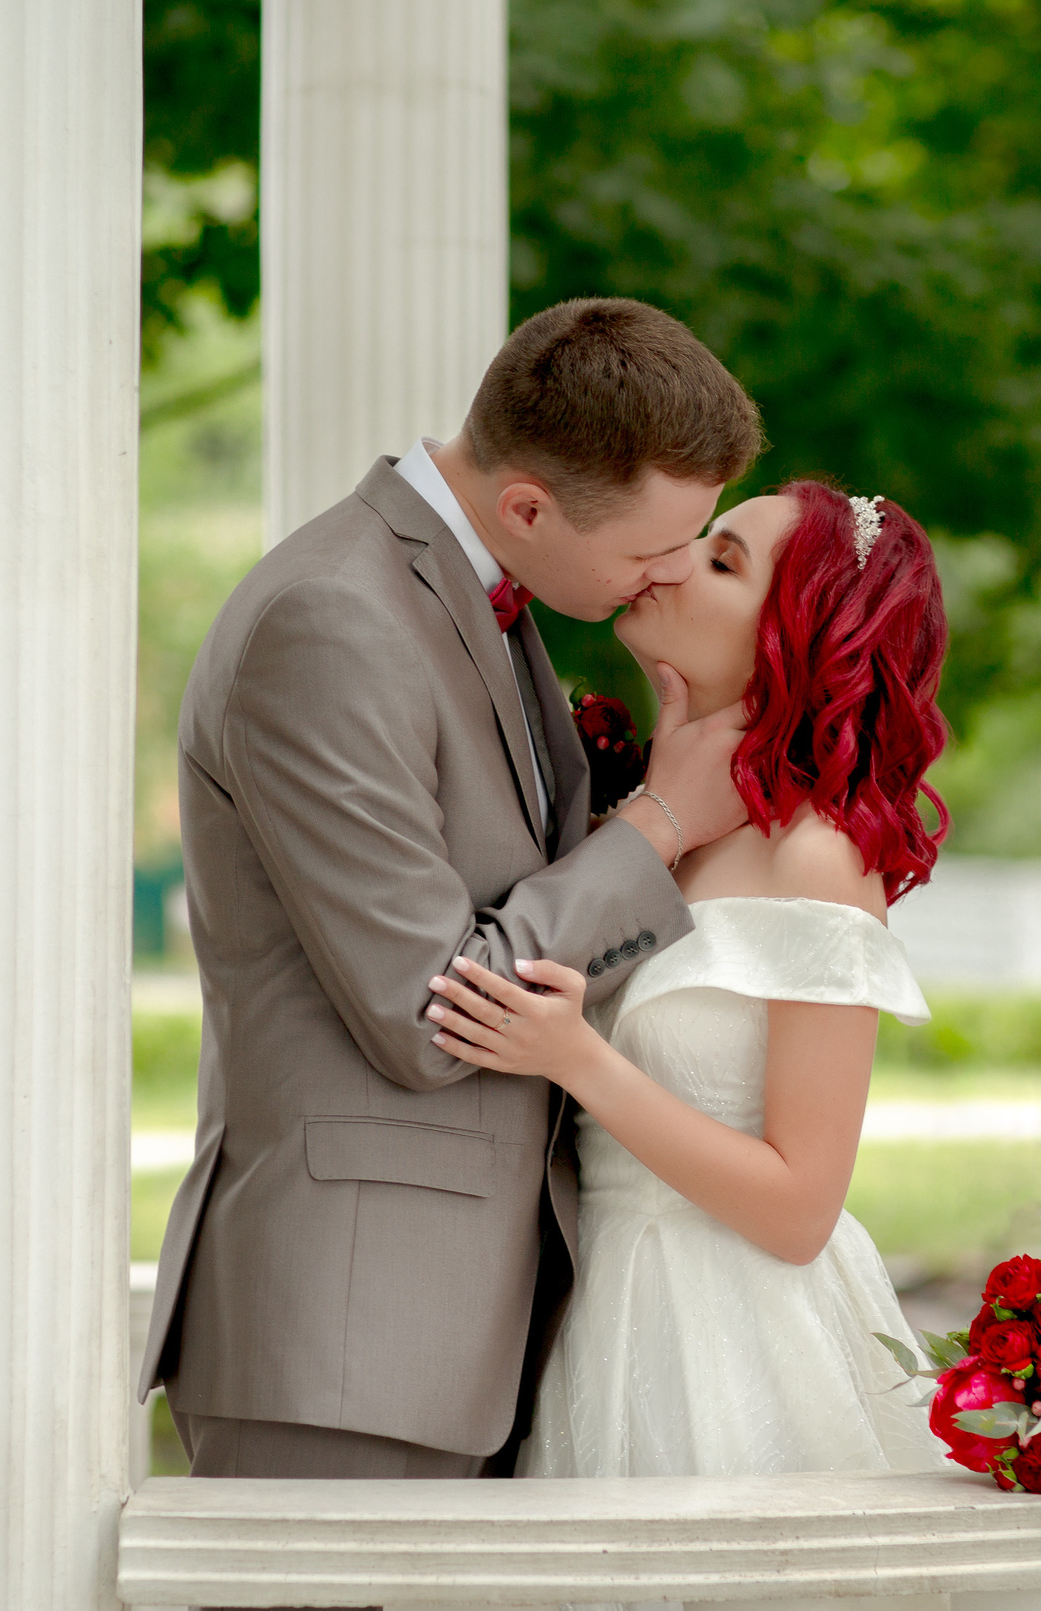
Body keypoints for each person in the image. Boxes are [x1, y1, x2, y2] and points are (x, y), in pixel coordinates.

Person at [135, 297, 767, 1488]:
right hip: (343, 1339)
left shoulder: (460, 594)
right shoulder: (332, 619)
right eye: (649, 553)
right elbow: (430, 1008)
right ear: (527, 505)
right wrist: (662, 822)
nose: (673, 575)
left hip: (455, 1335)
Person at [423, 480, 952, 1481]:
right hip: (593, 1306)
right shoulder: (629, 824)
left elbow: (800, 1210)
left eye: (721, 561)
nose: (671, 562)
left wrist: (578, 1058)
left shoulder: (815, 856)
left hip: (734, 1333)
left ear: (794, 635)